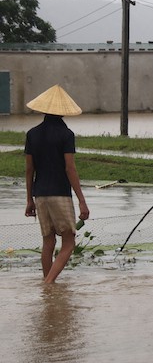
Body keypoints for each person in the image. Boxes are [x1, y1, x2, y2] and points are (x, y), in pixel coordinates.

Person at [24, 85, 90, 284]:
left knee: (48, 242)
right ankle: (48, 284)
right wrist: (81, 201)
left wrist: (29, 199)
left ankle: (49, 288)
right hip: (60, 194)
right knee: (69, 243)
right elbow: (70, 168)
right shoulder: (66, 134)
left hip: (40, 195)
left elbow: (29, 170)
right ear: (62, 111)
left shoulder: (32, 134)